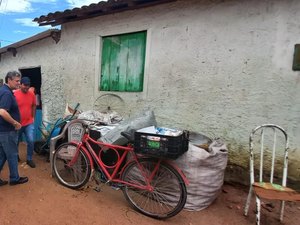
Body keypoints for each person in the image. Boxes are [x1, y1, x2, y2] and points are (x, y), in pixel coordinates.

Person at [0, 71, 28, 186]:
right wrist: (15, 123)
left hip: (3, 131)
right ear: (9, 80)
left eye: (19, 81)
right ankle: (14, 178)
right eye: (16, 81)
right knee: (12, 154)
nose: (19, 83)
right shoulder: (6, 93)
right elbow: (2, 111)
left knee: (2, 155)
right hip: (7, 131)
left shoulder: (4, 90)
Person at [14, 77, 37, 168]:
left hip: (28, 123)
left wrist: (33, 117)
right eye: (25, 85)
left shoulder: (32, 94)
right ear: (20, 84)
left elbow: (34, 106)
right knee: (16, 141)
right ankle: (16, 156)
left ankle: (29, 158)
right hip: (17, 124)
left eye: (28, 85)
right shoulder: (15, 94)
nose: (26, 87)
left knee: (31, 140)